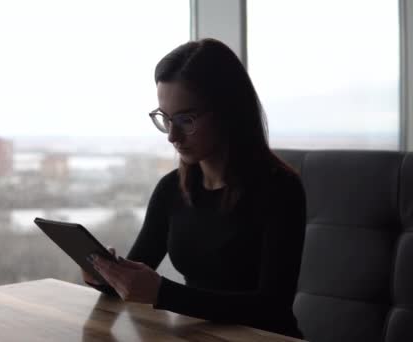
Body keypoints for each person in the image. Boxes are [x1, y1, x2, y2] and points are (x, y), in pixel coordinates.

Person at [82, 38, 306, 339]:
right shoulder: (171, 189)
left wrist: (162, 293)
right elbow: (138, 272)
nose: (172, 136)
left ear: (229, 111)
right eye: (165, 118)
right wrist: (105, 275)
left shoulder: (281, 191)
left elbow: (271, 307)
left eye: (186, 119)